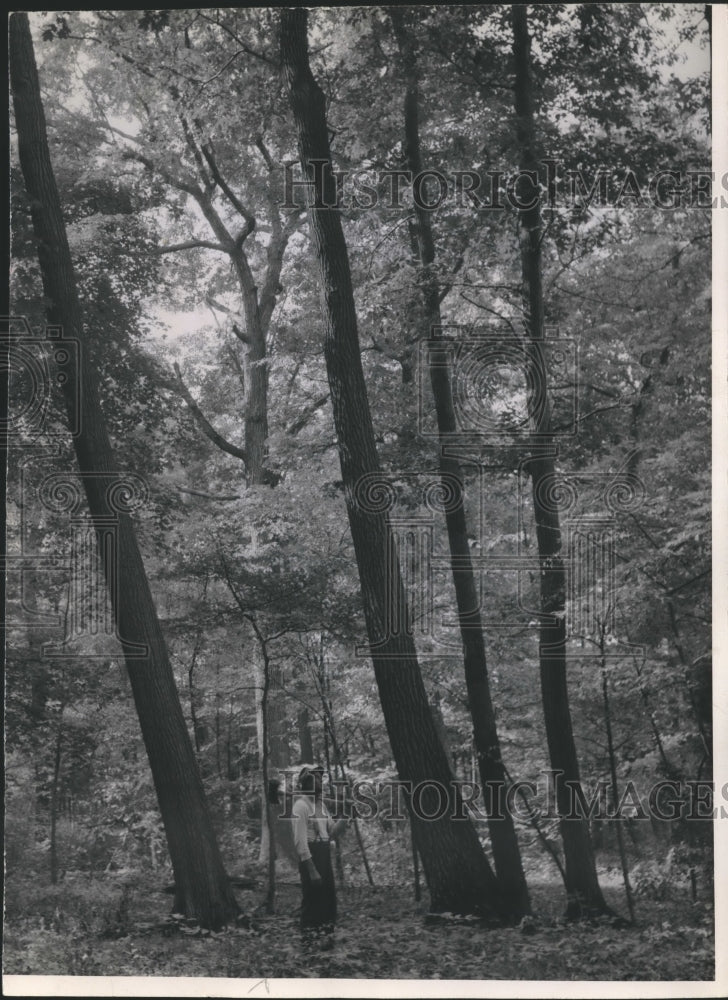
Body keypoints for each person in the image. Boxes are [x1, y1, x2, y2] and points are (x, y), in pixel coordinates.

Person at [291, 764, 349, 949]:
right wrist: (312, 870)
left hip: (324, 854)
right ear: (306, 783)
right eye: (316, 779)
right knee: (312, 902)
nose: (320, 782)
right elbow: (300, 843)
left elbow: (332, 832)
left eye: (320, 779)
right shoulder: (300, 806)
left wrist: (346, 815)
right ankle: (308, 945)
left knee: (328, 901)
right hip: (310, 857)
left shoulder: (320, 805)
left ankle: (326, 942)